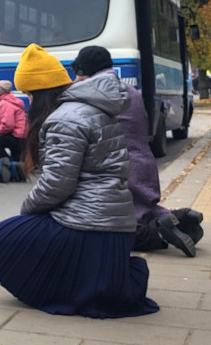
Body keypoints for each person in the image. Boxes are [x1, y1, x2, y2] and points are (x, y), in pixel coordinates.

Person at [0, 43, 159, 318]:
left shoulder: (65, 119)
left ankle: (62, 287)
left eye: (29, 94)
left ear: (40, 92)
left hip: (90, 226)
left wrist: (27, 213)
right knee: (27, 232)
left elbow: (58, 184)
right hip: (111, 227)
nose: (28, 102)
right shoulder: (85, 109)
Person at [70, 46, 203, 257]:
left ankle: (159, 233)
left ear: (83, 69)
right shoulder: (128, 90)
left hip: (118, 166)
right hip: (142, 161)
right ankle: (178, 217)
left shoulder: (91, 93)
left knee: (123, 224)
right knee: (144, 209)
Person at [0, 80, 27, 166]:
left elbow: (7, 124)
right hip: (22, 134)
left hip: (15, 135)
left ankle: (9, 163)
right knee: (17, 156)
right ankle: (19, 172)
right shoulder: (13, 100)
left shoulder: (4, 103)